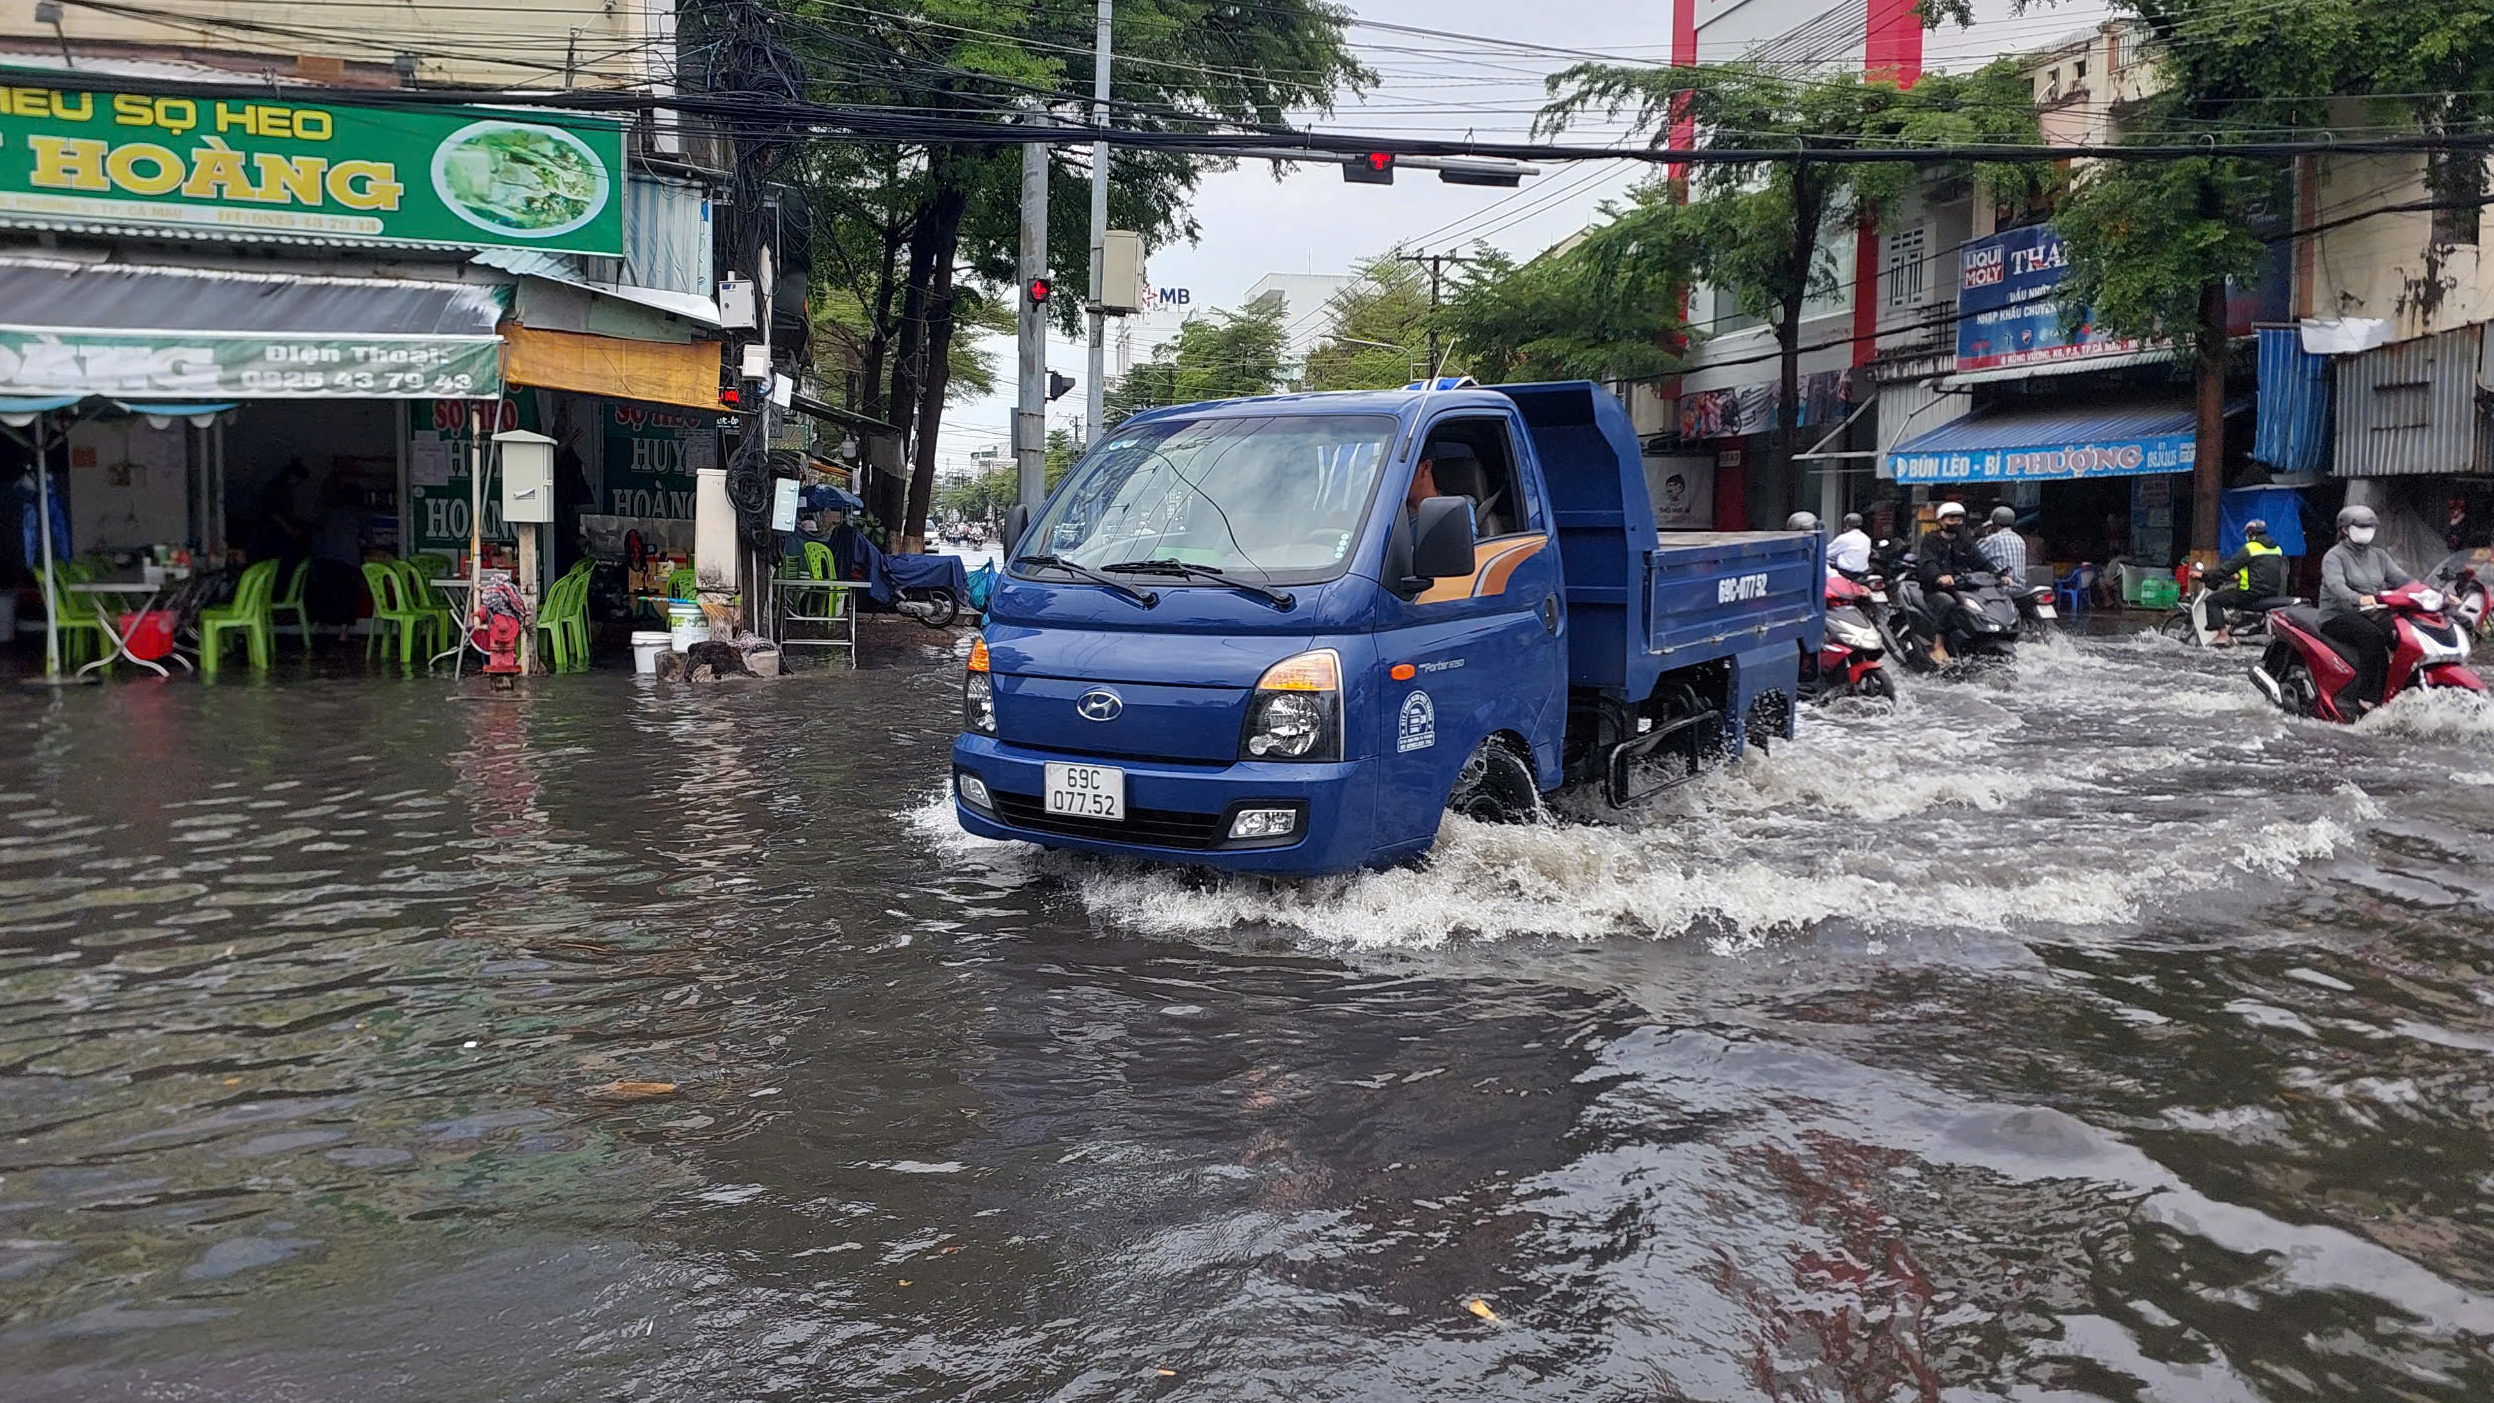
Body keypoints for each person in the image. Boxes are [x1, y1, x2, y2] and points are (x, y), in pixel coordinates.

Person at [2319, 504, 2414, 711]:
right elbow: (2336, 586)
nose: (2367, 531)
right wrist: (2359, 598)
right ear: (2345, 529)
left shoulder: (2379, 556)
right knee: (2373, 637)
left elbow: (2402, 579)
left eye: (2370, 527)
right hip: (2338, 615)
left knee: (2404, 635)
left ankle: (2403, 688)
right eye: (2361, 527)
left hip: (2372, 613)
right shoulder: (2334, 556)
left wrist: (2430, 592)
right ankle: (2367, 695)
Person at [2195, 518, 2287, 645]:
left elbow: (2227, 568)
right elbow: (2259, 569)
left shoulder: (2250, 548)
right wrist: (2236, 576)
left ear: (2251, 534)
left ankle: (2222, 635)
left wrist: (2205, 576)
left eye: (2247, 534)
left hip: (2250, 593)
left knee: (2213, 600)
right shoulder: (2277, 549)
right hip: (2270, 593)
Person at [1916, 502, 1990, 650]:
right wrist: (1939, 576)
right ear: (1940, 521)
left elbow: (1980, 561)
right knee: (1948, 604)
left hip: (1962, 587)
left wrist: (1999, 575)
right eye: (1951, 519)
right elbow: (1928, 562)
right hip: (1937, 589)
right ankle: (1938, 644)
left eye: (1959, 519)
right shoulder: (1931, 540)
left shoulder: (1965, 541)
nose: (1955, 523)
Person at [1976, 505, 2028, 586]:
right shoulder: (2019, 539)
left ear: (1994, 523)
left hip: (2000, 587)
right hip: (2020, 586)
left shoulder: (1992, 540)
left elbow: (1974, 557)